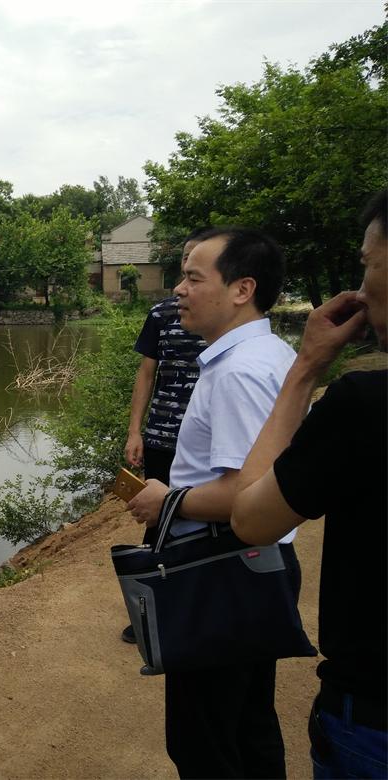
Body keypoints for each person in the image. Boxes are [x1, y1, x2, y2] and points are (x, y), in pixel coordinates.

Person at [127, 226, 299, 778]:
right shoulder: (268, 353)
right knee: (248, 726)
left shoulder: (239, 373)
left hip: (223, 570)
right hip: (254, 566)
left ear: (242, 289)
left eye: (193, 278)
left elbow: (249, 495)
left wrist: (167, 500)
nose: (179, 290)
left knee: (204, 743)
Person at [232, 190, 387, 778]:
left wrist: (305, 370)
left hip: (373, 719)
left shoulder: (365, 407)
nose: (363, 288)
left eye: (368, 264)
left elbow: (252, 518)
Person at [120, 230, 206, 643]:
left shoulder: (225, 320)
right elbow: (146, 374)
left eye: (197, 260)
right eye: (186, 259)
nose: (188, 266)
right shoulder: (161, 314)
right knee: (157, 522)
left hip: (204, 440)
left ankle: (194, 606)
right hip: (162, 436)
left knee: (200, 523)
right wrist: (135, 431)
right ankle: (150, 610)